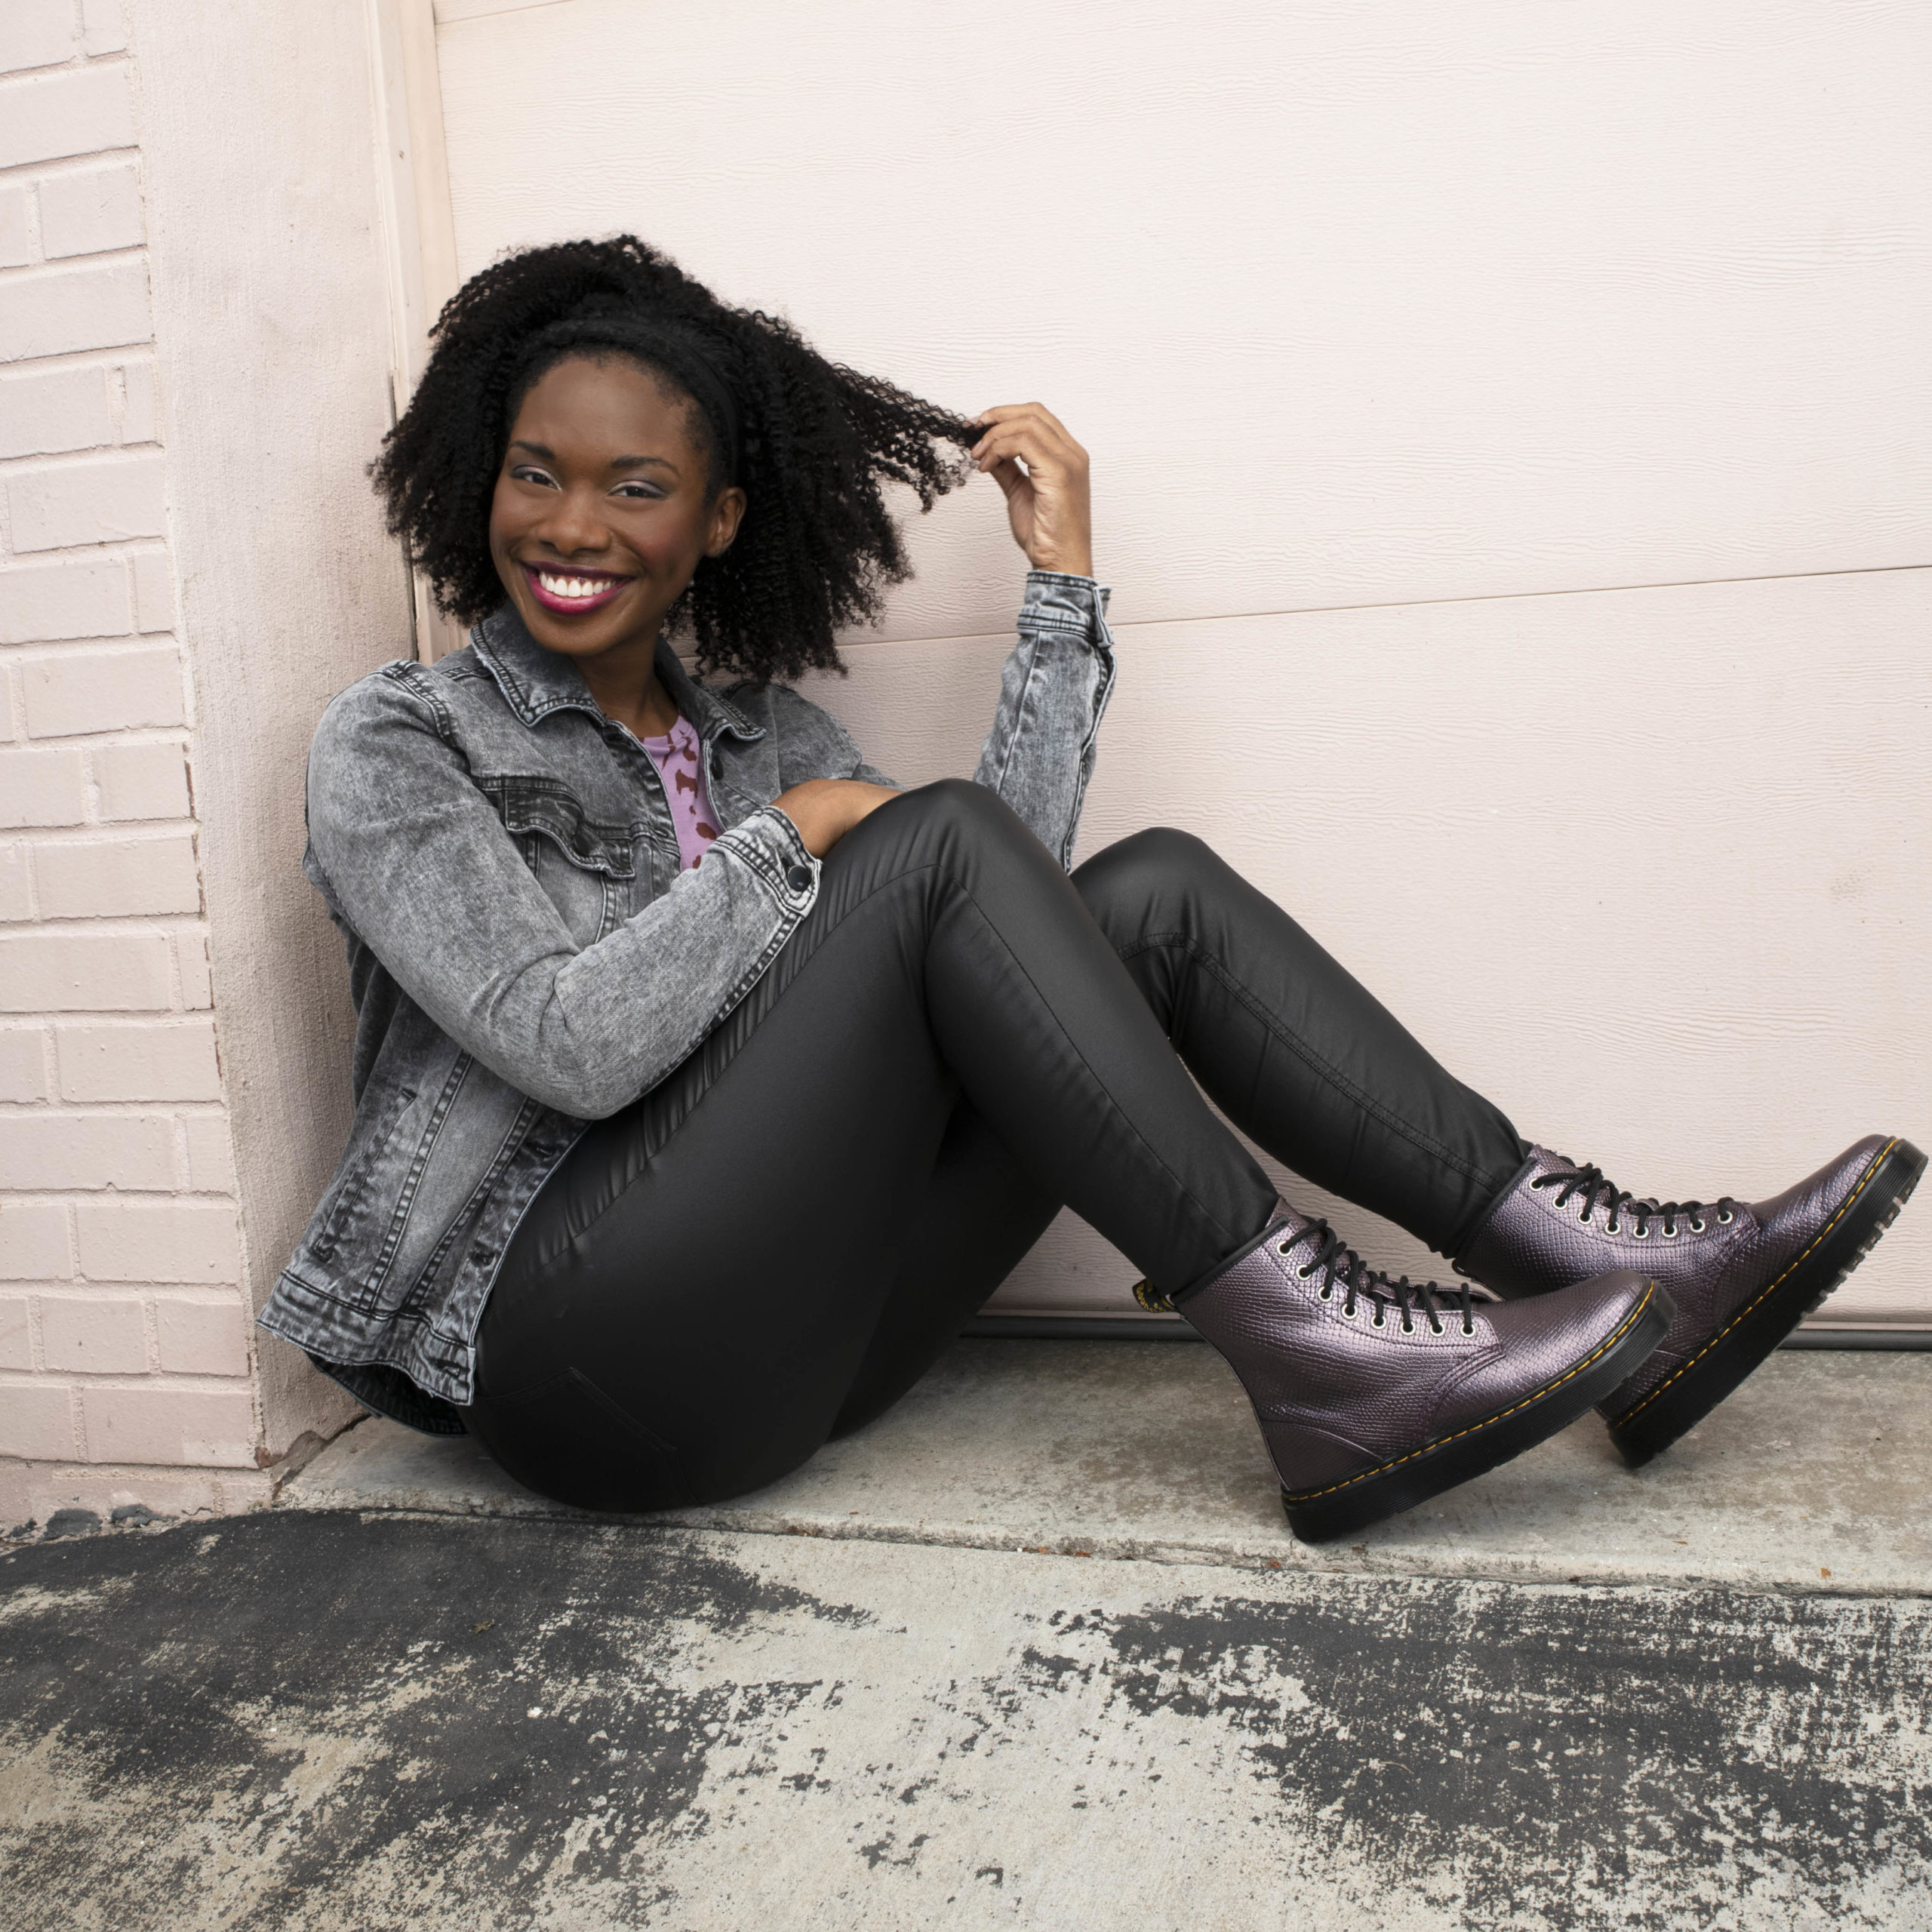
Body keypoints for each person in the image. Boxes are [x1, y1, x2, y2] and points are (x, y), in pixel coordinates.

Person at [261, 237, 1922, 1542]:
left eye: (635, 486)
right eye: (535, 471)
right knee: (924, 845)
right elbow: (560, 1043)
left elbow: (1015, 933)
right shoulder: (404, 742)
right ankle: (1317, 1354)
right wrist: (801, 839)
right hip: (569, 1363)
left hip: (801, 1348)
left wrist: (1056, 582)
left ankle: (1573, 1250)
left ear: (716, 522)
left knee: (1149, 896)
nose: (572, 522)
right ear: (481, 478)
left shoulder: (765, 739)